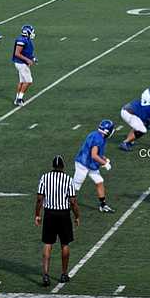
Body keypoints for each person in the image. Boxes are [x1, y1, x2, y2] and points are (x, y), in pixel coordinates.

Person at [35, 155, 80, 287]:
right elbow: (72, 201)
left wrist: (37, 214)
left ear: (52, 166)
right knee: (65, 244)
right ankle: (64, 274)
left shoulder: (45, 177)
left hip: (49, 213)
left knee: (48, 244)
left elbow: (39, 199)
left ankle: (45, 275)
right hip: (64, 214)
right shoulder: (68, 179)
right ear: (63, 166)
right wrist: (77, 215)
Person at [74, 120, 115, 212]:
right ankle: (60, 199)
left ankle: (103, 205)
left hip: (90, 163)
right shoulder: (99, 139)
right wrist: (104, 163)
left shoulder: (96, 134)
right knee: (75, 187)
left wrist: (104, 158)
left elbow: (96, 152)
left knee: (99, 181)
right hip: (83, 164)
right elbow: (94, 155)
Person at [12, 25, 36, 106]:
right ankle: (19, 99)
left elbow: (27, 51)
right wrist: (27, 60)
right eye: (31, 32)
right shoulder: (21, 40)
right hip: (21, 63)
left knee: (22, 81)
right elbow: (17, 53)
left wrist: (32, 58)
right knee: (29, 81)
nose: (33, 33)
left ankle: (17, 99)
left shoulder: (27, 39)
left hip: (22, 63)